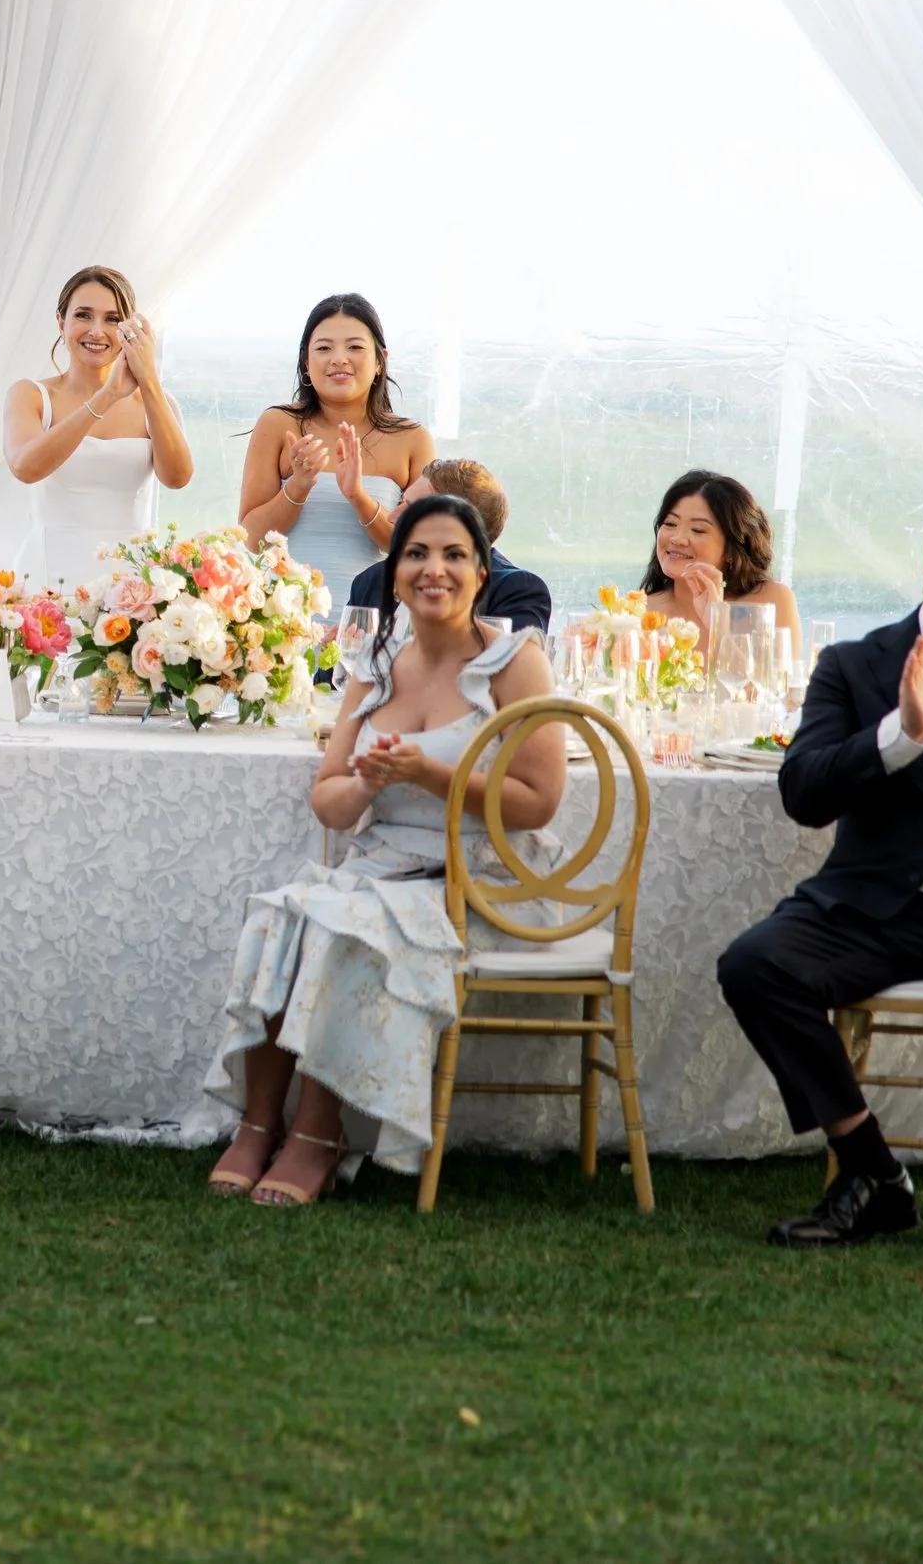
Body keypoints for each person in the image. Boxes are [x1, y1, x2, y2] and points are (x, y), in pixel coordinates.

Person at [206, 495, 565, 1205]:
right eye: (417, 554)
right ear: (394, 573)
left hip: (474, 879)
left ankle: (318, 1132)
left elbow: (539, 799)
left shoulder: (515, 663)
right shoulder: (374, 662)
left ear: (483, 572)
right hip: (379, 868)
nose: (435, 569)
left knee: (344, 924)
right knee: (284, 912)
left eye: (454, 554)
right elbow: (328, 796)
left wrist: (431, 772)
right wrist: (369, 783)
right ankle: (256, 1123)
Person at [715, 511, 923, 1248]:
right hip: (870, 905)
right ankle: (873, 1172)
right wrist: (902, 735)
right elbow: (804, 791)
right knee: (755, 966)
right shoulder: (855, 664)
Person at [1, 265, 192, 589]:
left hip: (132, 585)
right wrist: (106, 397)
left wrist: (148, 381)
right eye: (84, 316)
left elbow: (177, 477)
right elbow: (26, 467)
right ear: (61, 322)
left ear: (130, 329)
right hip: (48, 579)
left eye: (113, 319)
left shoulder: (157, 402)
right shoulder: (30, 395)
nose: (97, 331)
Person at [238, 292, 436, 587]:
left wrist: (358, 497)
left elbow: (421, 552)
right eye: (324, 348)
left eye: (355, 347)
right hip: (279, 621)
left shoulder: (413, 439)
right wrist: (298, 486)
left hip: (369, 622)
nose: (338, 359)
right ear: (306, 361)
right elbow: (250, 540)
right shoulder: (277, 424)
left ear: (381, 360)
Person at [343, 458, 552, 632]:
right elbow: (332, 680)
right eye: (400, 503)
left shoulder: (516, 589)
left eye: (411, 508)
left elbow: (513, 673)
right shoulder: (371, 581)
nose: (393, 518)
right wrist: (338, 656)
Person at [639, 468, 800, 654]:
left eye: (698, 530)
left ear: (733, 549)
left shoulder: (771, 602)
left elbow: (775, 683)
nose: (677, 538)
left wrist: (718, 623)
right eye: (670, 524)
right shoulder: (638, 613)